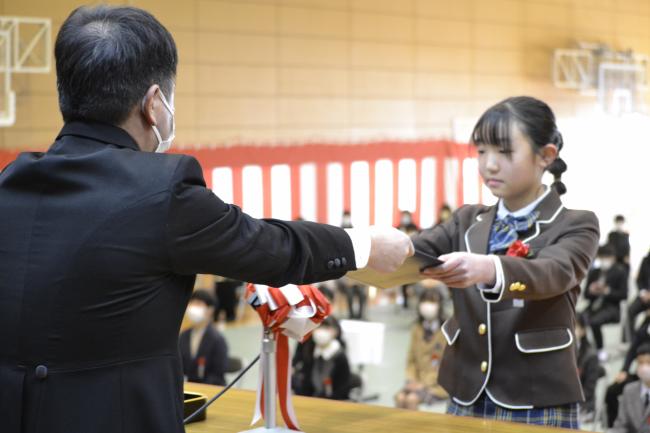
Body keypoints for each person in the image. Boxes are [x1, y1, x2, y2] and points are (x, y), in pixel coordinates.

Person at [0, 6, 413, 433]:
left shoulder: (11, 181)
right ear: (155, 103)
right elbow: (269, 247)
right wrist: (362, 245)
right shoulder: (161, 189)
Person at [413, 96, 600, 428]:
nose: (489, 165)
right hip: (466, 388)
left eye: (504, 152)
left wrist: (489, 268)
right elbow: (415, 249)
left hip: (537, 394)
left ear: (546, 156)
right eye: (482, 151)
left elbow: (553, 273)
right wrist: (363, 247)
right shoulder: (466, 219)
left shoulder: (576, 223)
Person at [395, 288, 448, 410]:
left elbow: (446, 365)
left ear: (440, 305)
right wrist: (411, 380)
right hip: (416, 382)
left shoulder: (445, 330)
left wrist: (423, 384)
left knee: (412, 400)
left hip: (437, 385)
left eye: (433, 301)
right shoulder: (416, 329)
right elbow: (411, 360)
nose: (428, 305)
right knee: (400, 398)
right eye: (425, 301)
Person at [583, 244, 629, 361]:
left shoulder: (620, 272)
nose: (604, 260)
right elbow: (586, 295)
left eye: (606, 257)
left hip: (611, 307)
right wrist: (592, 291)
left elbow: (624, 295)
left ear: (613, 258)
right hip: (594, 305)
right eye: (601, 257)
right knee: (577, 319)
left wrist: (607, 291)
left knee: (594, 322)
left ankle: (600, 349)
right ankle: (584, 347)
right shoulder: (594, 272)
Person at [292, 317, 351, 400]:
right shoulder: (309, 351)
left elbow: (342, 389)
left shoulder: (340, 356)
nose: (321, 331)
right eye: (319, 327)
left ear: (336, 331)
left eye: (326, 328)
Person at [179, 290, 228, 385]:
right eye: (191, 303)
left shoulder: (217, 339)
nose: (193, 308)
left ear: (210, 310)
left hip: (210, 391)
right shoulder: (183, 336)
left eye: (198, 304)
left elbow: (218, 374)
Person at [610, 343, 650, 433]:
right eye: (640, 363)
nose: (644, 367)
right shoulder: (629, 390)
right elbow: (621, 424)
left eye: (648, 362)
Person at [575, 313, 602, 419]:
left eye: (575, 326)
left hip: (583, 404)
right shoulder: (562, 353)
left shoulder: (591, 355)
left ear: (583, 330)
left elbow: (589, 391)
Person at [627, 250, 650, 340]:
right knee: (630, 310)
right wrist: (643, 292)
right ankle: (632, 340)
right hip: (644, 295)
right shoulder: (646, 260)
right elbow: (639, 279)